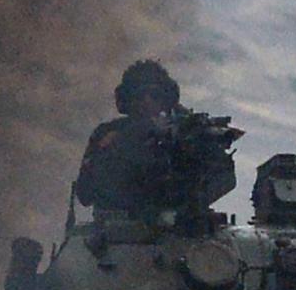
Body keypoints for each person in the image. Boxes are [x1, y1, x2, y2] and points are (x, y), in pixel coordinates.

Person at [72, 59, 238, 228]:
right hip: (117, 232)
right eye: (139, 95)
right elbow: (85, 193)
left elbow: (225, 178)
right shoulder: (110, 135)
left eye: (155, 95)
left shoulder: (185, 131)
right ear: (126, 99)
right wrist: (130, 141)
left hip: (179, 232)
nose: (147, 101)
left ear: (167, 99)